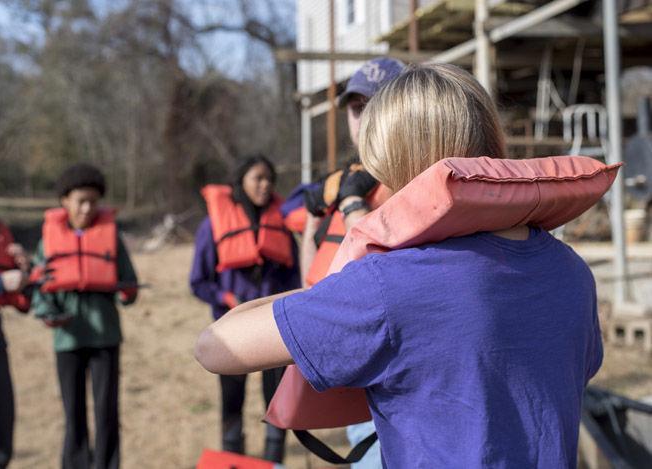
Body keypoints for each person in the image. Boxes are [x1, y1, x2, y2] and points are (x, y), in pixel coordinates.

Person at [194, 64, 603, 467]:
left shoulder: (386, 287)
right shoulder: (571, 271)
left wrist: (335, 287)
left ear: (392, 162)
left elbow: (215, 347)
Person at [301, 57, 403, 467]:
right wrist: (312, 224)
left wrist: (354, 206)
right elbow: (311, 273)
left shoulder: (413, 181)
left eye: (375, 107)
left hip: (390, 382)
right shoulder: (339, 182)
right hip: (344, 372)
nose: (364, 119)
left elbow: (387, 282)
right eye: (357, 108)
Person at [190, 155, 300, 463]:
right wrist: (226, 298)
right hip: (231, 331)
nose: (265, 185)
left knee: (277, 403)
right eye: (258, 178)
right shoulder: (213, 224)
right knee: (232, 402)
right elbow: (198, 281)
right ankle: (232, 461)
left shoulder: (282, 223)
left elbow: (294, 276)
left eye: (270, 179)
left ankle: (273, 462)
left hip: (274, 327)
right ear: (240, 182)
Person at [31, 163, 138, 469]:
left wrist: (128, 292)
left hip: (105, 336)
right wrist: (47, 313)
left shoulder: (111, 237)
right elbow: (39, 289)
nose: (88, 207)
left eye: (94, 201)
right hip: (67, 339)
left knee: (106, 410)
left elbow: (129, 284)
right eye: (81, 201)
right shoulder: (48, 240)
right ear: (65, 201)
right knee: (73, 412)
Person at [0, 182, 30, 469]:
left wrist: (25, 271)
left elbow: (22, 303)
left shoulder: (0, 237)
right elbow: (0, 285)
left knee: (1, 449)